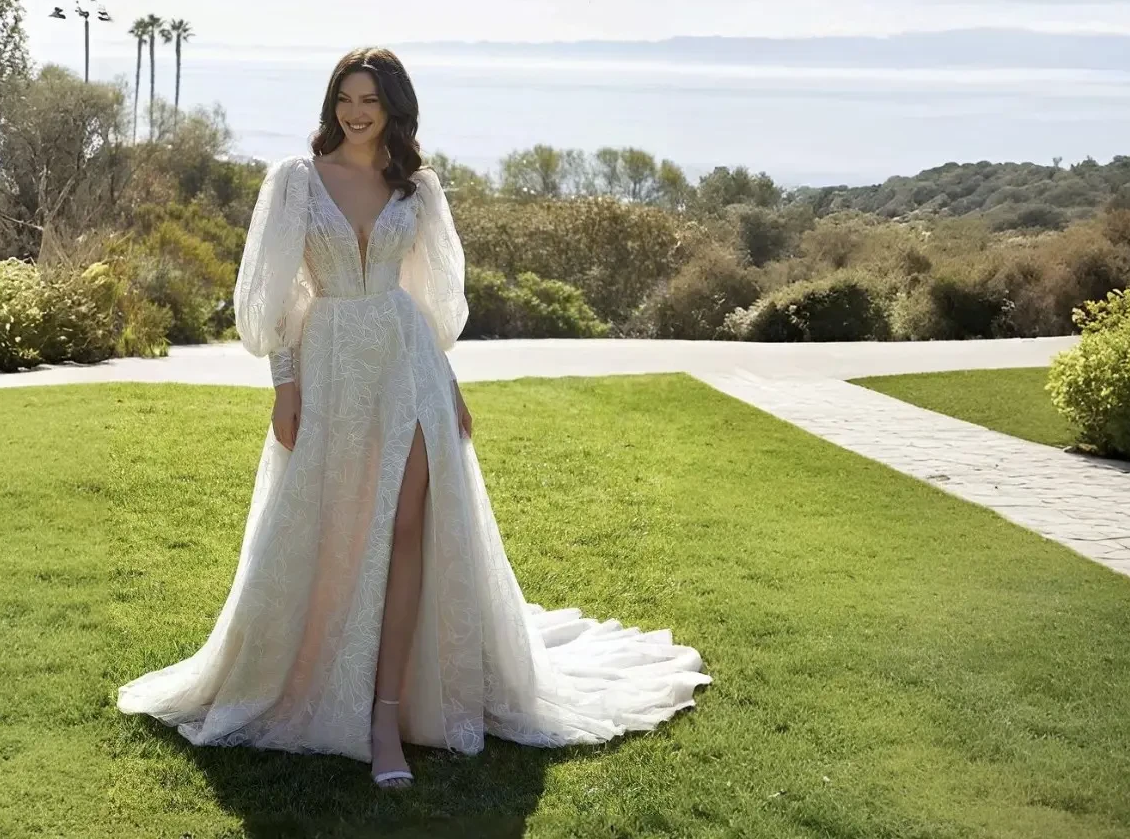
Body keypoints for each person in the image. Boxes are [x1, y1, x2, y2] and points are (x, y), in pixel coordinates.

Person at [116, 47, 710, 790]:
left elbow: (430, 305)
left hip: (412, 372)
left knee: (405, 530)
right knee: (335, 530)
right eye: (346, 98)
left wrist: (448, 384)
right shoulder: (295, 181)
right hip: (329, 368)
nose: (356, 113)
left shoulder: (418, 188)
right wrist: (284, 383)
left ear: (395, 109)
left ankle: (385, 714)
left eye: (371, 101)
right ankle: (318, 681)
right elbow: (277, 298)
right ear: (333, 103)